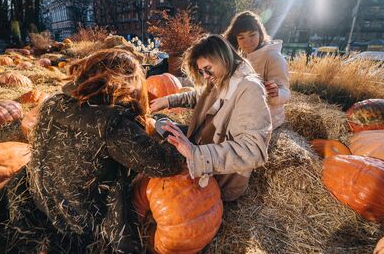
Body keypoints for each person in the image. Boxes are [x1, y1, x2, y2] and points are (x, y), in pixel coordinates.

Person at [25, 49, 184, 253]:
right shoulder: (113, 124)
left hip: (45, 204)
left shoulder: (54, 103)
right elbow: (165, 164)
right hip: (86, 222)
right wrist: (172, 130)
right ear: (128, 82)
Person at [150, 34, 272, 202]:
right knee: (159, 123)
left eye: (207, 68)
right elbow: (200, 96)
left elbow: (253, 150)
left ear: (223, 57)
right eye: (201, 72)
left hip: (218, 174)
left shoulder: (250, 89)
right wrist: (168, 100)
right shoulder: (221, 77)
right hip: (199, 142)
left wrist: (195, 154)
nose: (205, 76)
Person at [224, 11, 290, 129]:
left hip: (267, 121)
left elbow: (286, 92)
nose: (247, 41)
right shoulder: (241, 57)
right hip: (245, 116)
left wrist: (276, 93)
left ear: (260, 33)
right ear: (236, 39)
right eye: (241, 37)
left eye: (252, 35)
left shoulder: (273, 57)